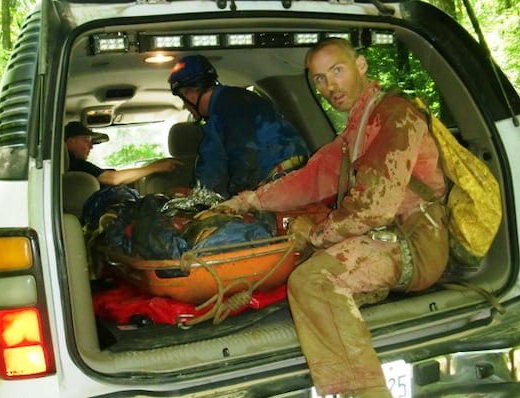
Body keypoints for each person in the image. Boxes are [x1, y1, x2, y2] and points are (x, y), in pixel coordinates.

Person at [211, 38, 449, 397]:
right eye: (319, 79)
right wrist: (248, 202)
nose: (329, 86)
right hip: (386, 237)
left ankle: (364, 391)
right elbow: (311, 178)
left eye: (336, 71)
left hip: (415, 244)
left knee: (312, 282)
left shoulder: (394, 116)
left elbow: (373, 207)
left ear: (362, 66)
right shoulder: (358, 127)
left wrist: (317, 235)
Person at [168, 54, 310, 198]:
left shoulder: (231, 106)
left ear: (190, 93)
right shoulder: (221, 111)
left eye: (183, 99)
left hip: (284, 180)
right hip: (285, 178)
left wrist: (237, 201)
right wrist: (195, 194)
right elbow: (212, 161)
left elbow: (244, 157)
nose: (186, 106)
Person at [65, 121, 182, 186]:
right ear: (70, 142)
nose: (91, 146)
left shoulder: (71, 167)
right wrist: (156, 167)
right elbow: (112, 179)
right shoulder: (77, 165)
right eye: (86, 141)